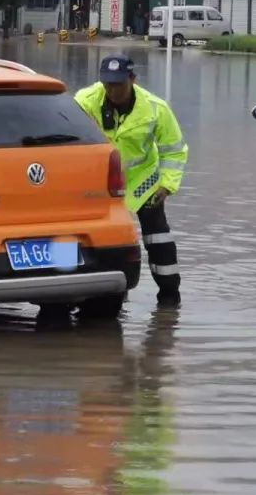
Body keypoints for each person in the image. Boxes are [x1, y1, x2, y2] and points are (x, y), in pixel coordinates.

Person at [74, 54, 188, 306]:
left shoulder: (155, 109)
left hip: (143, 182)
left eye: (119, 84)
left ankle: (169, 297)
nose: (113, 91)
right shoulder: (84, 102)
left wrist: (167, 185)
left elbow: (174, 150)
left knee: (158, 238)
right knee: (101, 239)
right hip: (100, 186)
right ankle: (108, 293)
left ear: (133, 80)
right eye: (108, 85)